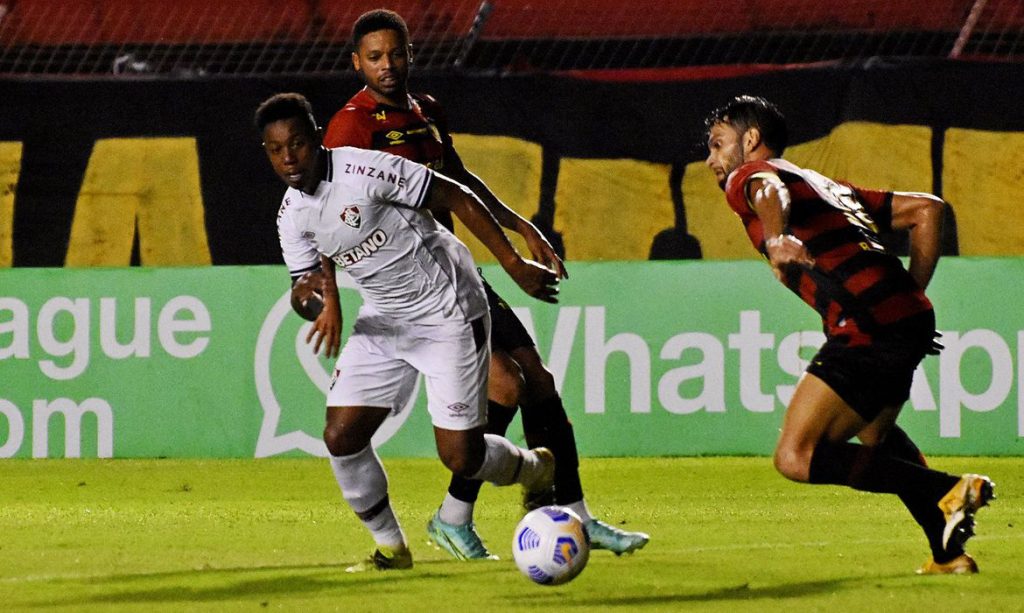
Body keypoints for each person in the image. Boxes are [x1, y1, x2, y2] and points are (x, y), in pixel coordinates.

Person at [320, 8, 649, 560]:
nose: (387, 65)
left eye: (396, 53)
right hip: (412, 292)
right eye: (374, 57)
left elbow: (459, 180)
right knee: (509, 386)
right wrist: (330, 294)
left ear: (410, 54)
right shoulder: (350, 128)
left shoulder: (426, 111)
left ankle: (565, 516)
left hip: (455, 276)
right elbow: (323, 212)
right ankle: (461, 514)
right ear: (357, 63)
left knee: (535, 381)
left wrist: (522, 226)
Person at [255, 91, 561, 572]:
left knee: (461, 457)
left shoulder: (363, 169)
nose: (288, 157)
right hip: (384, 318)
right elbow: (304, 290)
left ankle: (535, 469)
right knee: (341, 436)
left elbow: (455, 195)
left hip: (447, 309)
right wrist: (309, 299)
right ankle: (392, 550)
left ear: (316, 138)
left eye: (296, 143)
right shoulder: (291, 216)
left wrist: (512, 263)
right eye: (276, 150)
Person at [704, 95, 995, 575]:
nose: (711, 159)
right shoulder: (827, 188)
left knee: (796, 456)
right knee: (875, 434)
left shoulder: (751, 176)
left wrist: (777, 237)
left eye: (718, 144)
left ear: (750, 139)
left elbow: (765, 188)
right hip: (902, 320)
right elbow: (928, 210)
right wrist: (902, 300)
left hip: (866, 326)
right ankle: (948, 554)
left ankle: (947, 488)